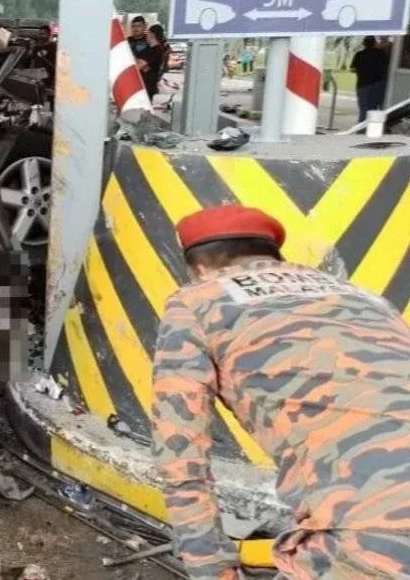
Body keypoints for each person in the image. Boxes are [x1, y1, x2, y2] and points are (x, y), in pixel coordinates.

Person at [151, 204, 410, 580]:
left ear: (199, 269)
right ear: (274, 254)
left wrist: (210, 566)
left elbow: (180, 446)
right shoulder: (363, 297)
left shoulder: (196, 300)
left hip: (377, 530)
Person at [351, 36, 389, 122]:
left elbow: (353, 69)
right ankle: (373, 126)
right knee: (374, 107)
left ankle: (361, 129)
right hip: (378, 84)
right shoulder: (381, 54)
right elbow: (386, 66)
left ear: (364, 44)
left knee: (363, 109)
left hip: (362, 84)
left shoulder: (359, 54)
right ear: (374, 43)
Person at [142, 24, 170, 101]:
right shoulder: (150, 48)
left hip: (149, 84)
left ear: (152, 34)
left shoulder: (157, 50)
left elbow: (142, 65)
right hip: (148, 82)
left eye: (148, 33)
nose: (146, 35)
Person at [127, 15, 151, 83]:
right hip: (129, 76)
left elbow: (147, 65)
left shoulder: (149, 41)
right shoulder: (127, 41)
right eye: (133, 26)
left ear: (144, 27)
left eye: (139, 26)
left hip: (144, 79)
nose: (136, 28)